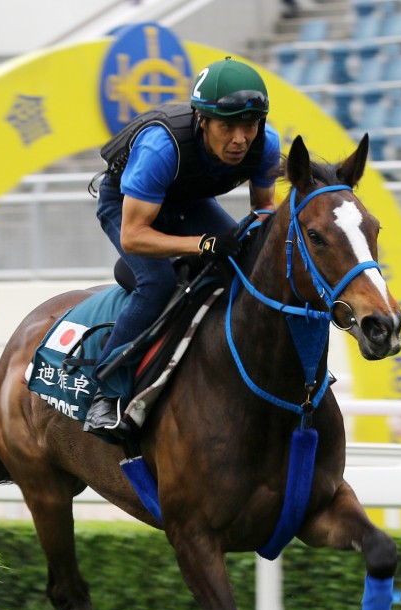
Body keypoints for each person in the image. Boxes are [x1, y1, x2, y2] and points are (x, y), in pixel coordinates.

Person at [84, 57, 282, 436]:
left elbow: (263, 211)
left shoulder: (266, 145)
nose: (240, 139)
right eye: (228, 126)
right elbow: (133, 236)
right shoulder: (162, 149)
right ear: (202, 120)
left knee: (246, 262)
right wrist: (204, 244)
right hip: (127, 210)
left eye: (250, 126)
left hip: (187, 199)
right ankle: (106, 388)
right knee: (156, 282)